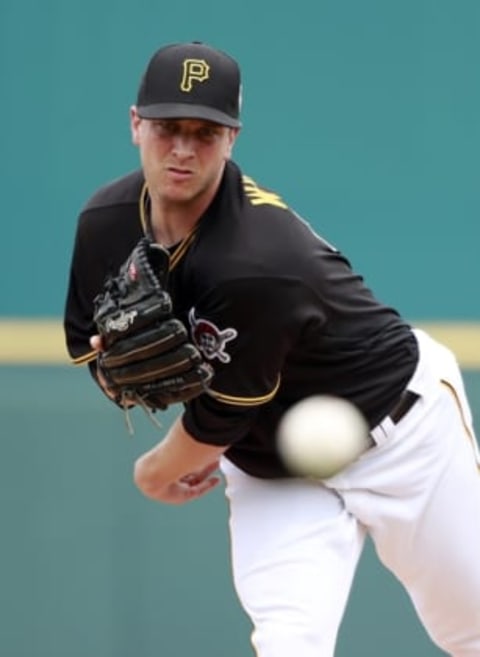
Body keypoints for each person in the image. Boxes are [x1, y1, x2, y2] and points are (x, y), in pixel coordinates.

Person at [63, 41, 480, 657]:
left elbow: (220, 419)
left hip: (403, 433)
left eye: (204, 132)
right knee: (290, 644)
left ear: (232, 139)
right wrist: (114, 375)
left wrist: (154, 470)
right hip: (274, 464)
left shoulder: (258, 260)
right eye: (166, 128)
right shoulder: (105, 220)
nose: (182, 148)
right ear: (135, 125)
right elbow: (91, 346)